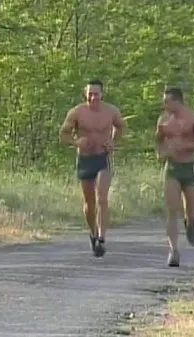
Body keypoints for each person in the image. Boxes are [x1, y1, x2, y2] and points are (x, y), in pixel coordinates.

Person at [59, 79, 124, 257]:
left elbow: (120, 126)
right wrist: (75, 141)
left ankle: (102, 237)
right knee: (89, 203)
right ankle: (93, 233)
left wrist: (112, 140)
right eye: (90, 94)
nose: (93, 97)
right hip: (85, 158)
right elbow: (63, 133)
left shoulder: (111, 111)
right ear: (85, 94)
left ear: (102, 94)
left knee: (102, 197)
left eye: (96, 93)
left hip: (103, 157)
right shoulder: (77, 112)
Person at [155, 87, 194, 267]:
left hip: (188, 167)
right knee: (172, 211)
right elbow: (159, 140)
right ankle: (173, 251)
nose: (164, 105)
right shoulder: (163, 120)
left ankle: (191, 222)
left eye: (167, 101)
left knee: (191, 212)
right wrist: (161, 152)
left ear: (177, 101)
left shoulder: (193, 119)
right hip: (171, 167)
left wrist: (183, 146)